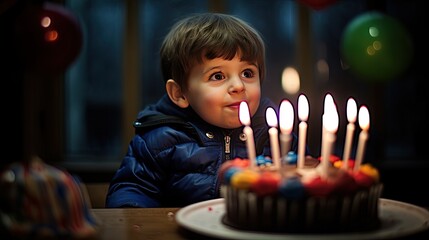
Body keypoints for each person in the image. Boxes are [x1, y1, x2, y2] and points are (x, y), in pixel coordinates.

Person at [105, 12, 299, 208]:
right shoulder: (161, 140)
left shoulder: (274, 135)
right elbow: (133, 190)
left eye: (247, 73)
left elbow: (303, 181)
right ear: (180, 93)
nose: (239, 86)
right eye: (217, 76)